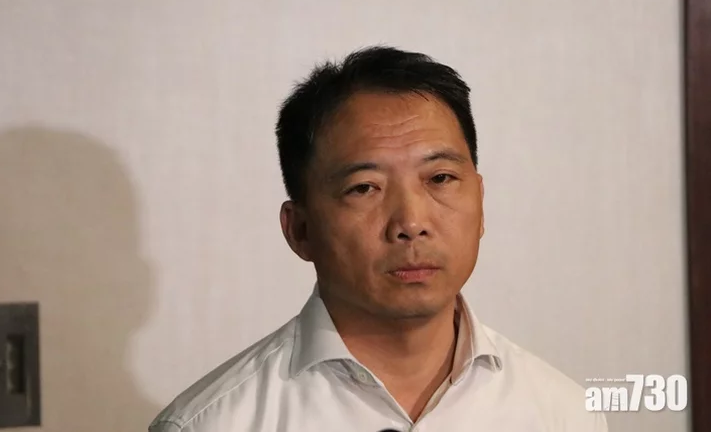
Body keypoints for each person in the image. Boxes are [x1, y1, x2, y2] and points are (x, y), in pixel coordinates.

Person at [148, 46, 608, 431]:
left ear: (481, 203)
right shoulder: (211, 424)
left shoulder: (564, 415)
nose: (411, 222)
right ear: (300, 230)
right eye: (365, 188)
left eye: (440, 178)